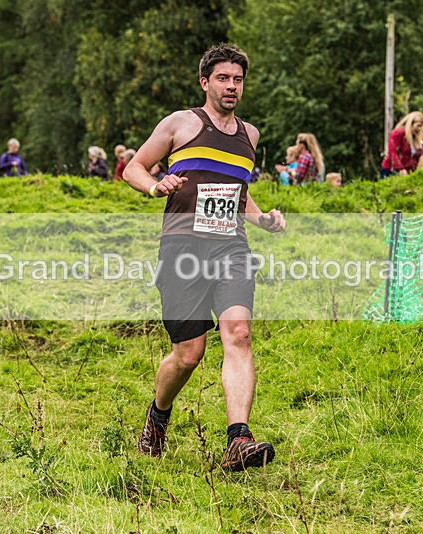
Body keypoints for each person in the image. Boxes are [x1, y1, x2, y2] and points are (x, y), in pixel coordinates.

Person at [123, 43, 285, 471]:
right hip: (182, 248)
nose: (232, 86)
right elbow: (133, 167)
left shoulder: (249, 135)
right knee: (188, 354)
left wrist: (262, 219)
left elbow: (239, 194)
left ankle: (238, 440)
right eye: (223, 78)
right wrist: (155, 185)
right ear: (205, 82)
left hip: (231, 246)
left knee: (239, 333)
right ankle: (158, 415)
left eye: (238, 80)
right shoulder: (180, 123)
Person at [380, 112, 423, 178]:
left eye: (421, 126)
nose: (419, 129)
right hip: (391, 170)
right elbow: (392, 152)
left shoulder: (415, 138)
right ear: (411, 123)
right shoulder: (398, 133)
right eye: (418, 125)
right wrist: (400, 168)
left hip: (408, 172)